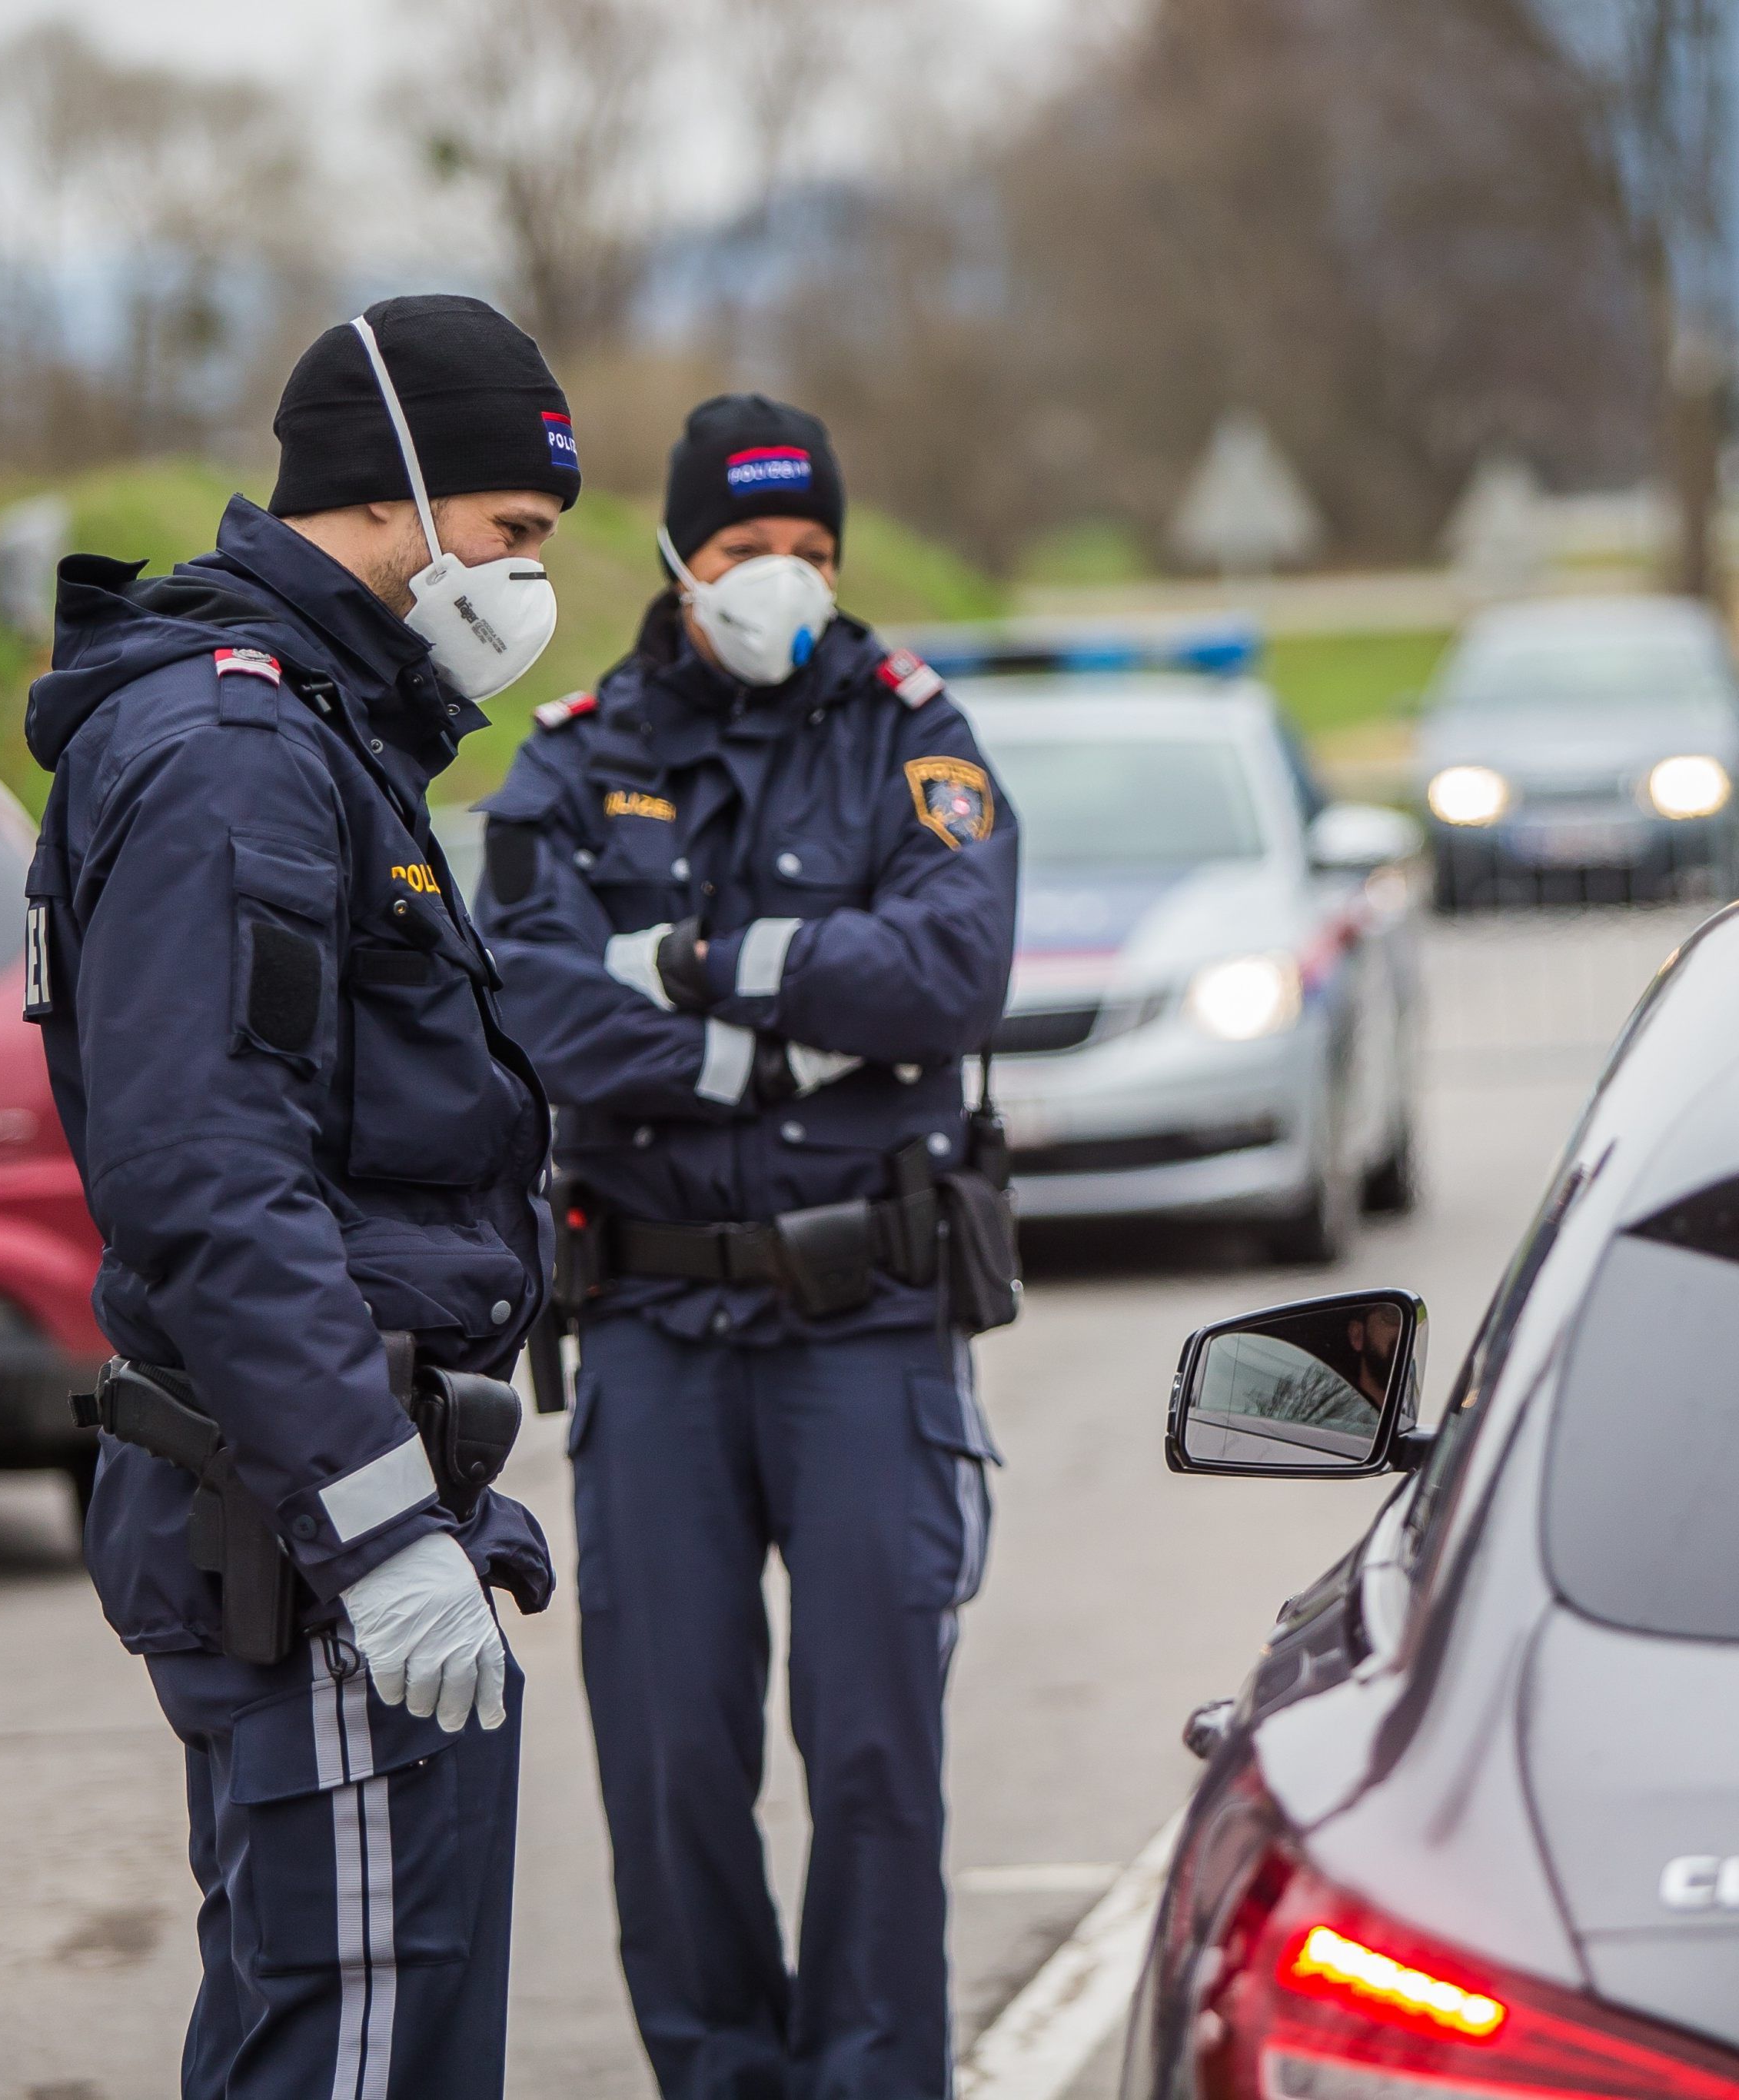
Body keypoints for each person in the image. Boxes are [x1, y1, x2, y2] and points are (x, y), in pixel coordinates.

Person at [22, 293, 580, 2099]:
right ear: (390, 499)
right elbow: (208, 1174)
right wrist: (379, 1524)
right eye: (511, 538)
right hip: (311, 1532)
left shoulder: (324, 734)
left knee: (369, 2037)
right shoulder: (238, 754)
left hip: (342, 1506)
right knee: (348, 2048)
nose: (521, 585)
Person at [476, 394, 1020, 2099]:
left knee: (873, 1756)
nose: (780, 580)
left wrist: (705, 973)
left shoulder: (911, 733)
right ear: (676, 560)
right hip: (651, 1323)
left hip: (868, 1320)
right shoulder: (576, 760)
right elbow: (543, 1018)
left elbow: (953, 975)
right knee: (669, 1764)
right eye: (743, 552)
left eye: (810, 553)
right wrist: (804, 1018)